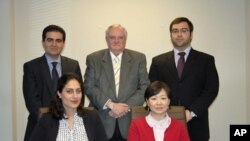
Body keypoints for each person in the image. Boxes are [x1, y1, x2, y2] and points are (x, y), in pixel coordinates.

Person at [149, 17, 219, 141]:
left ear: (191, 34)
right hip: (164, 123)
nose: (179, 34)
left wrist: (191, 112)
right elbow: (152, 90)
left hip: (196, 125)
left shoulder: (206, 60)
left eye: (184, 30)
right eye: (175, 31)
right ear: (171, 35)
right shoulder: (158, 61)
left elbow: (211, 90)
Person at [83, 24, 150, 140]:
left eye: (120, 37)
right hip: (102, 120)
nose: (116, 41)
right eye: (112, 37)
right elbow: (89, 86)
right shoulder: (94, 59)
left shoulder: (138, 58)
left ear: (125, 39)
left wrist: (125, 107)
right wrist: (111, 105)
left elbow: (145, 86)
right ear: (106, 39)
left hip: (130, 120)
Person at [23, 25, 82, 141]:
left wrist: (67, 121)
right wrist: (51, 123)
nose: (54, 44)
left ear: (63, 43)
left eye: (58, 40)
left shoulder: (73, 65)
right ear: (43, 42)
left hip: (70, 126)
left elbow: (79, 94)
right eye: (50, 40)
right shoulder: (31, 67)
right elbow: (32, 101)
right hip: (40, 126)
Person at [29, 73, 108, 141]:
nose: (75, 96)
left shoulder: (93, 117)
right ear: (59, 94)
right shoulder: (47, 119)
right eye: (69, 91)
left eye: (78, 91)